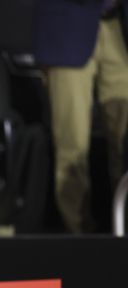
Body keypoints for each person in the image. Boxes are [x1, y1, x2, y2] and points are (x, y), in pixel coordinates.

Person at [34, 0, 128, 233]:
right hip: (68, 26)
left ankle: (124, 228)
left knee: (125, 142)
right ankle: (81, 241)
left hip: (118, 28)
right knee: (72, 147)